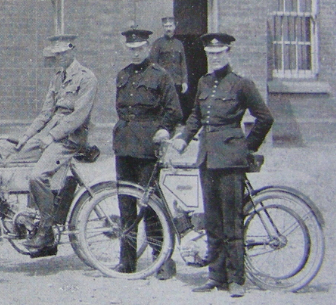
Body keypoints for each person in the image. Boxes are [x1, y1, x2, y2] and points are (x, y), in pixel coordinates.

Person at [172, 33, 274, 298]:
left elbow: (264, 117)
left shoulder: (241, 84)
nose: (215, 57)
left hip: (230, 160)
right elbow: (196, 116)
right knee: (213, 221)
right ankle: (216, 276)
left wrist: (247, 147)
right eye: (211, 54)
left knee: (232, 222)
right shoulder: (204, 83)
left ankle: (236, 278)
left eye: (219, 53)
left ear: (228, 53)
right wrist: (183, 138)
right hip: (207, 158)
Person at [12, 35, 98, 257]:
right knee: (14, 159)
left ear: (72, 51)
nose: (58, 58)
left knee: (37, 176)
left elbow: (78, 116)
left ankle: (46, 231)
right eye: (55, 54)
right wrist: (26, 136)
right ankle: (32, 221)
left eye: (62, 53)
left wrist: (52, 136)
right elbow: (46, 112)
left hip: (70, 140)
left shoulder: (87, 78)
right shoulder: (58, 77)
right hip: (52, 135)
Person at [113, 29, 182, 279]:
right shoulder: (122, 75)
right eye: (131, 48)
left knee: (152, 205)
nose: (135, 51)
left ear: (148, 48)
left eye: (140, 48)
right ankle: (127, 261)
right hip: (124, 147)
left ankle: (162, 260)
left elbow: (173, 111)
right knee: (125, 206)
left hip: (146, 148)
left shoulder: (161, 76)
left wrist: (164, 130)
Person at [150, 17, 191, 122]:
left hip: (176, 81)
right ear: (163, 27)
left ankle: (176, 124)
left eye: (170, 26)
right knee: (163, 104)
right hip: (163, 81)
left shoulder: (179, 44)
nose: (168, 29)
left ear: (174, 27)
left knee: (176, 104)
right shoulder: (158, 44)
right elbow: (153, 64)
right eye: (166, 26)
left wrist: (184, 81)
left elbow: (183, 63)